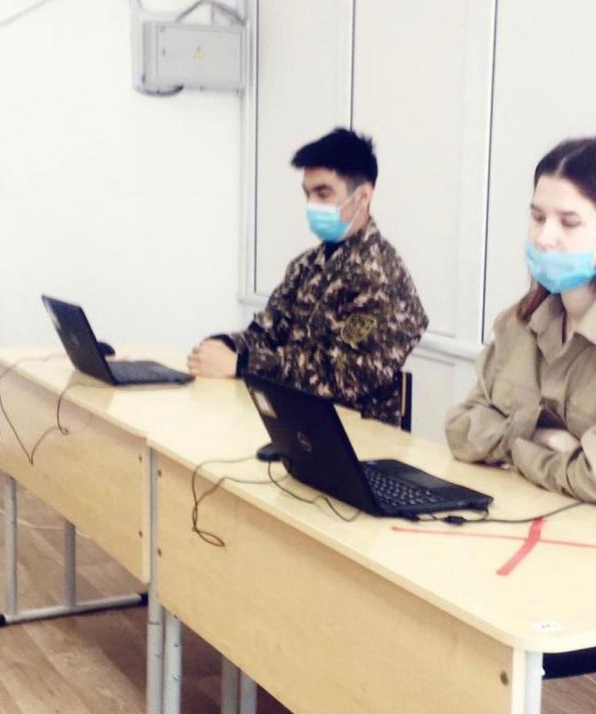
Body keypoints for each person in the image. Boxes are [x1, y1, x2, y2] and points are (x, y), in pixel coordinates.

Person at [188, 128, 428, 425]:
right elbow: (267, 332)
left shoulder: (381, 276)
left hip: (356, 439)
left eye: (323, 193)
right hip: (294, 424)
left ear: (363, 196)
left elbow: (344, 377)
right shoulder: (307, 265)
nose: (312, 204)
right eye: (308, 194)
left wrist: (242, 364)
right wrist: (223, 346)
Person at [445, 137, 596, 500]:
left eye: (569, 222)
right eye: (538, 217)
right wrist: (543, 437)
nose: (545, 237)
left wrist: (515, 448)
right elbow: (461, 430)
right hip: (513, 518)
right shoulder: (518, 324)